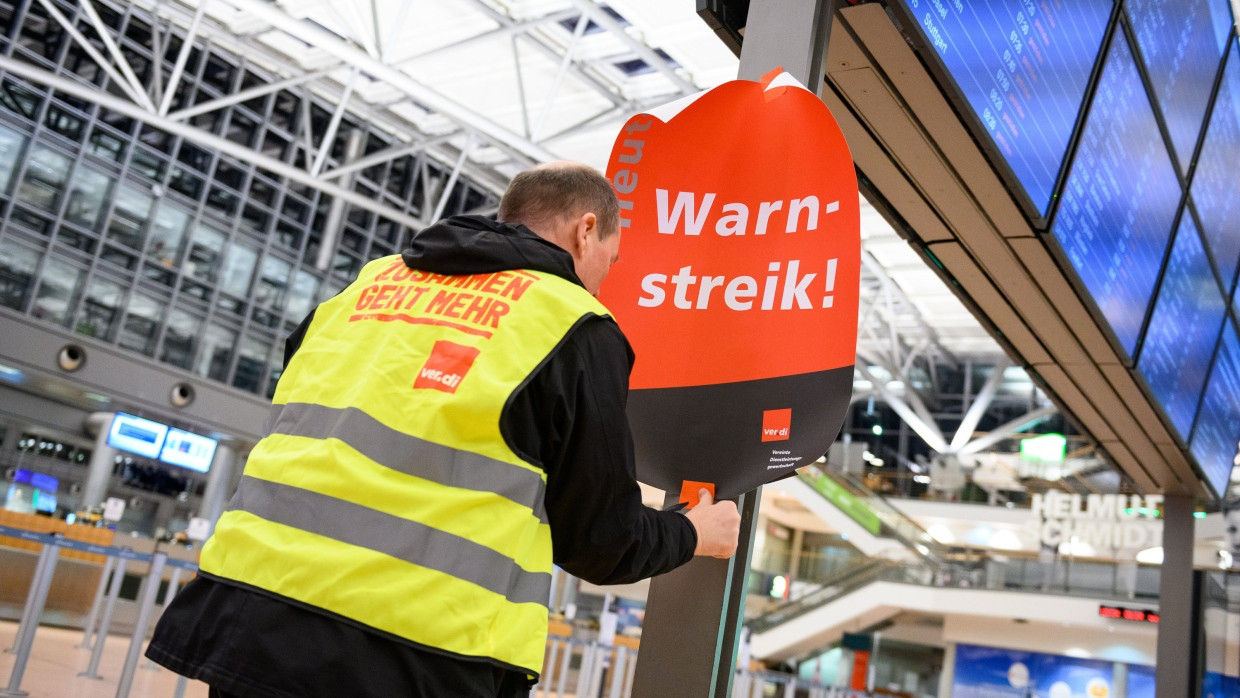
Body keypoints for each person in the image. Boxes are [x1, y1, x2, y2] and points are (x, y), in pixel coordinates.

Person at [145, 161, 742, 698]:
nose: (603, 280)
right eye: (610, 261)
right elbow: (600, 540)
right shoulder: (572, 323)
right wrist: (692, 533)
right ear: (586, 230)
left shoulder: (369, 285)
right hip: (411, 651)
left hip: (253, 618)